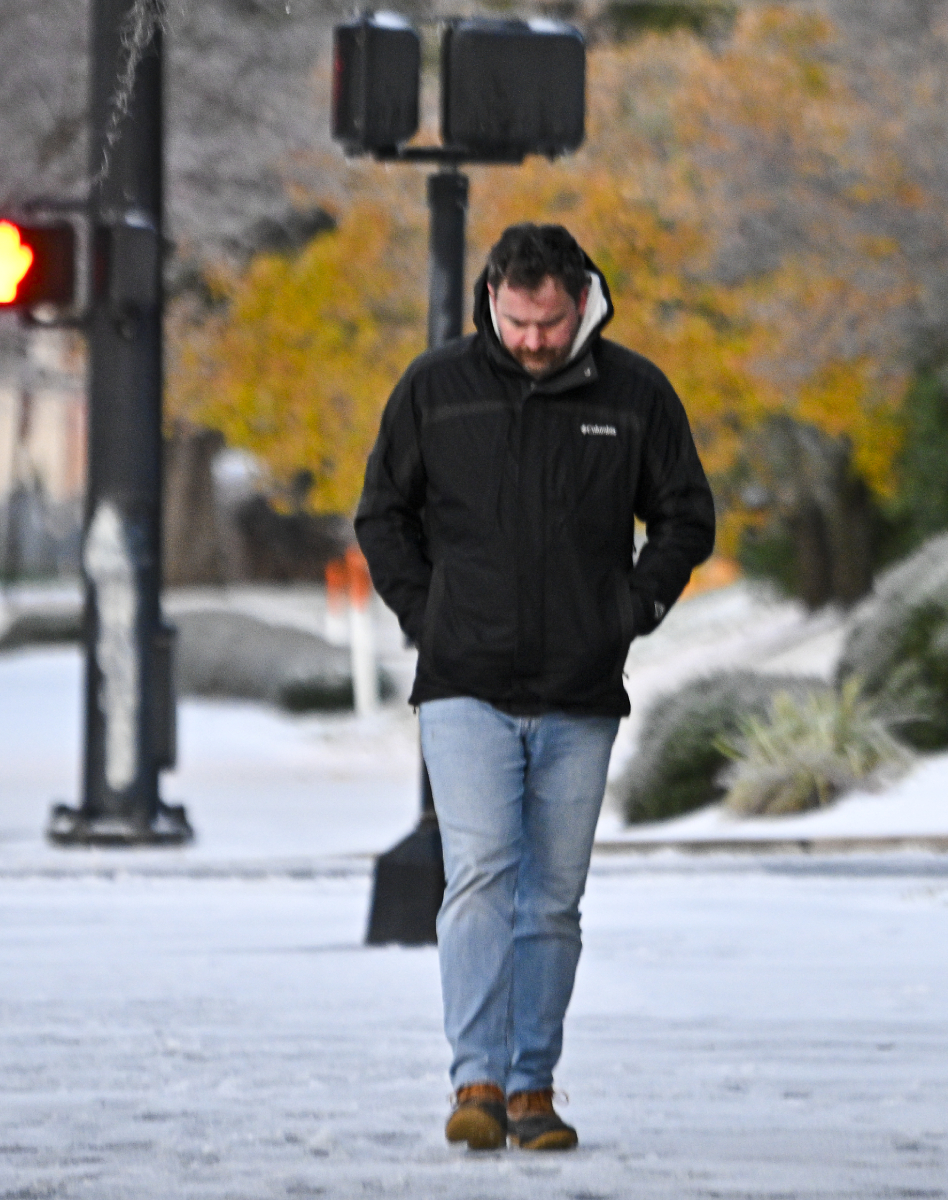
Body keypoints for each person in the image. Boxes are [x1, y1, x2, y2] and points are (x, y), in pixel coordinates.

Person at [355, 224, 716, 1151]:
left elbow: (685, 516)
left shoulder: (634, 394)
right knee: (479, 876)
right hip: (464, 681)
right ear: (492, 300)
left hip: (579, 688)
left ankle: (532, 1087)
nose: (531, 341)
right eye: (515, 322)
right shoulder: (435, 389)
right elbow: (382, 515)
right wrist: (427, 617)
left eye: (549, 323)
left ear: (581, 300)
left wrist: (628, 611)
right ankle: (475, 1080)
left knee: (552, 899)